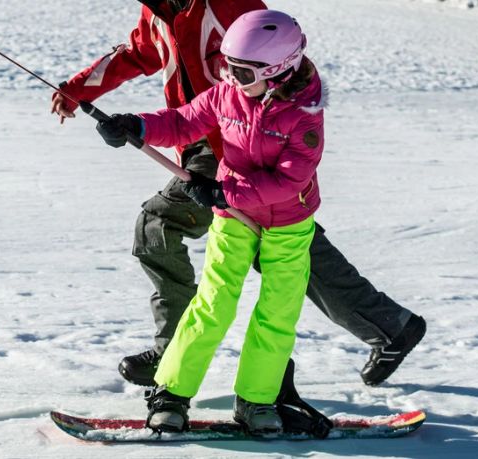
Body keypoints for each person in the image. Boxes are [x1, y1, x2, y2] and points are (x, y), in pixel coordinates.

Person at [50, 0, 425, 389]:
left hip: (238, 149)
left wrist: (235, 177)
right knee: (283, 248)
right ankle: (389, 326)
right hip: (199, 135)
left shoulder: (231, 5)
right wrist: (81, 91)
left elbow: (281, 55)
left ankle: (173, 354)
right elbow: (139, 54)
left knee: (160, 224)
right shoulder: (158, 10)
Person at [97, 10, 322, 433]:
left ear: (277, 72)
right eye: (225, 67)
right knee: (213, 304)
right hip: (233, 220)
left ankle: (256, 401)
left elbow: (291, 178)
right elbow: (182, 122)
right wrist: (136, 125)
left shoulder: (304, 114)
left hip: (288, 224)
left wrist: (224, 192)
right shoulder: (227, 96)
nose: (230, 77)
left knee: (278, 312)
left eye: (240, 71)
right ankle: (172, 392)